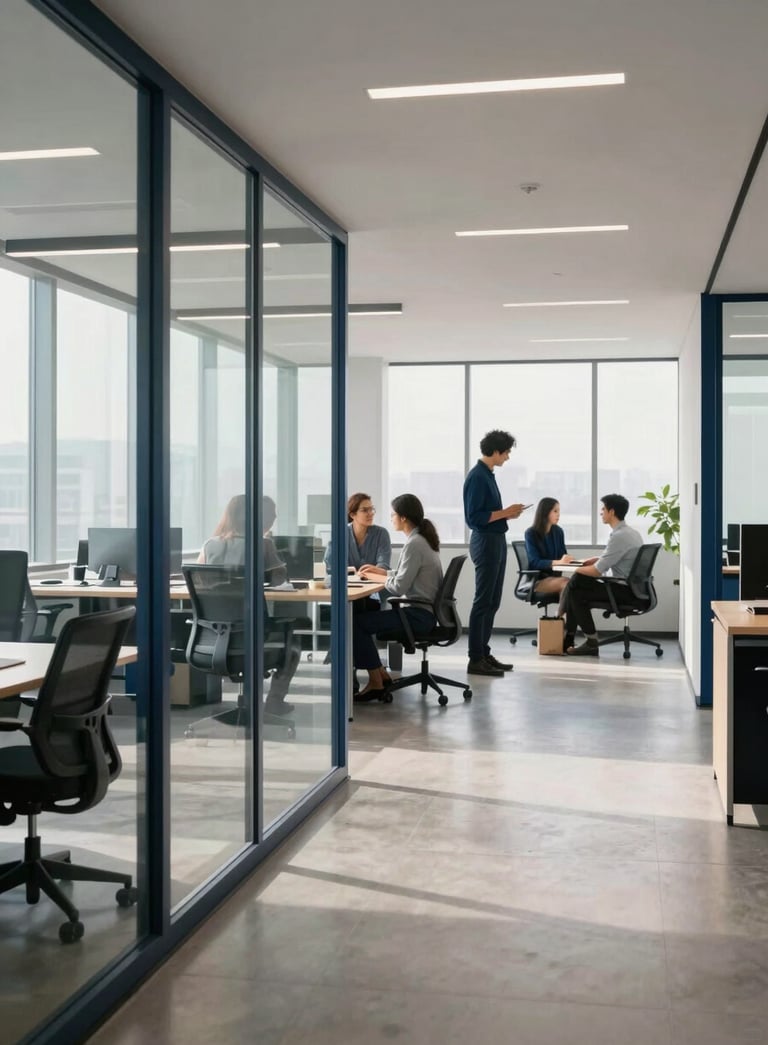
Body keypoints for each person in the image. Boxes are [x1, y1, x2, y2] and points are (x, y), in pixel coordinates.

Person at [198, 494, 298, 711]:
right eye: (271, 514)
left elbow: (199, 579)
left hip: (212, 640)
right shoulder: (263, 545)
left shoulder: (210, 545)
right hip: (251, 639)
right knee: (294, 646)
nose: (274, 517)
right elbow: (280, 578)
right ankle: (274, 702)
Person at [353, 493, 442, 702]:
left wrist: (380, 580)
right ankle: (380, 674)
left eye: (393, 514)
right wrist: (383, 573)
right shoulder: (422, 539)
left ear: (403, 518)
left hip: (417, 615)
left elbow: (398, 587)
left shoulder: (414, 544)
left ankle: (376, 679)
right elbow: (405, 575)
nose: (391, 518)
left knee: (355, 624)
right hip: (424, 612)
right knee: (359, 622)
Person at [463, 430, 526, 677]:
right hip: (486, 541)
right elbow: (474, 518)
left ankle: (484, 653)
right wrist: (505, 512)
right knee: (483, 601)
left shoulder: (488, 474)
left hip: (496, 539)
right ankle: (475, 658)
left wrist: (507, 514)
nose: (508, 457)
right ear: (496, 451)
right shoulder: (477, 477)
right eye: (507, 452)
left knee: (493, 601)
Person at [562, 493, 644, 657]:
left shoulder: (619, 536)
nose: (601, 512)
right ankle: (569, 638)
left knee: (576, 590)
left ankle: (584, 641)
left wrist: (571, 568)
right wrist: (597, 559)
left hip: (624, 591)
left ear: (611, 512)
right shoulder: (631, 533)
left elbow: (597, 571)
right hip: (633, 588)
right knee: (576, 585)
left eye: (603, 509)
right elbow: (618, 558)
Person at [323, 491, 392, 608]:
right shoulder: (340, 533)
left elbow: (383, 566)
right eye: (365, 510)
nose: (370, 514)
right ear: (352, 514)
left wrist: (363, 574)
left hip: (373, 593)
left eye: (371, 509)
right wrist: (358, 574)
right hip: (347, 591)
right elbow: (330, 567)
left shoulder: (381, 534)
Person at [524, 497, 574, 605]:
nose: (558, 514)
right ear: (545, 512)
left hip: (554, 578)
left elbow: (563, 555)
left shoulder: (558, 531)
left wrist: (568, 560)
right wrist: (558, 562)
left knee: (575, 585)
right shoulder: (531, 533)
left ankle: (563, 620)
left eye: (559, 511)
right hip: (537, 580)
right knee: (567, 584)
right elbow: (534, 562)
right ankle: (561, 618)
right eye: (555, 511)